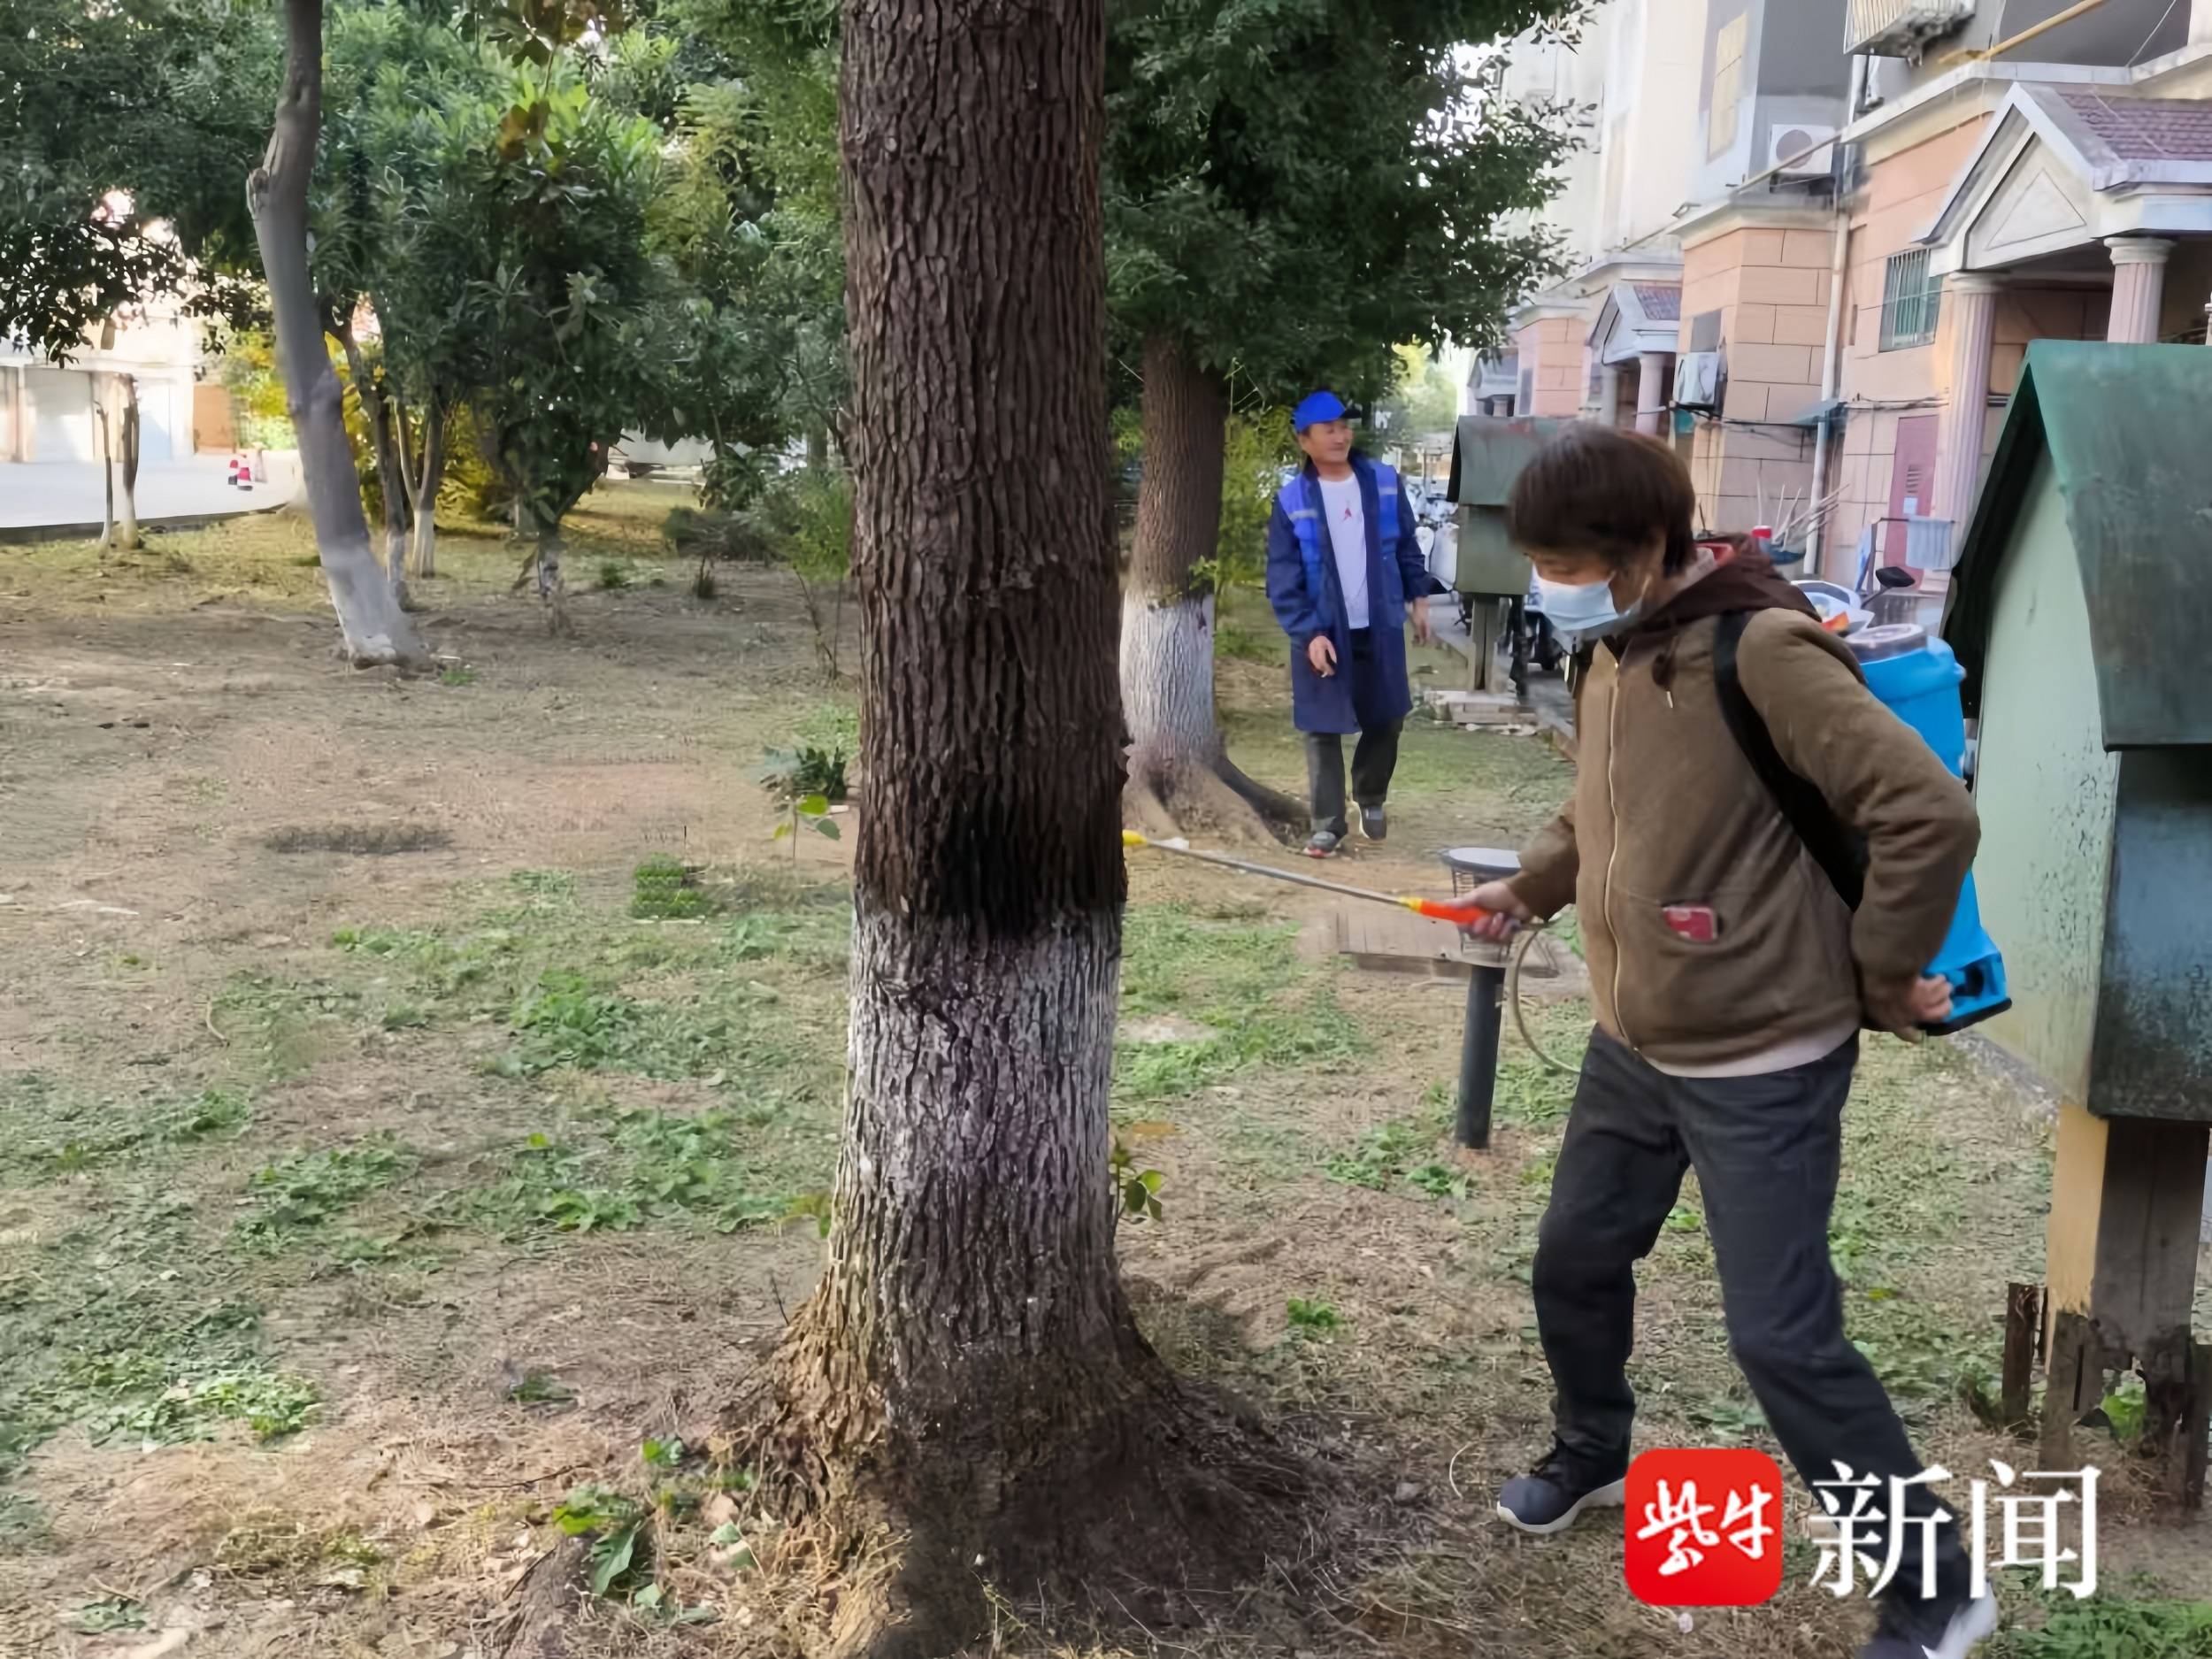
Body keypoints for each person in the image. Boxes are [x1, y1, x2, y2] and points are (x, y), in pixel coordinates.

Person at [1463, 426, 1995, 1659]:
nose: (1548, 585)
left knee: (1781, 1335)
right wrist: (1532, 887)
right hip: (1632, 1043)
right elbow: (1600, 806)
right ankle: (1593, 1452)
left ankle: (1937, 1589)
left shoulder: (1759, 648)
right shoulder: (1616, 648)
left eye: (1564, 564)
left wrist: (1878, 972)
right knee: (1574, 1260)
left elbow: (1927, 812)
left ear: (1644, 545)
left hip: (1764, 1057)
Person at [1264, 390, 1434, 858]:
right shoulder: (1291, 500)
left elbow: (1407, 546)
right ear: (1305, 441)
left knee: (1389, 715)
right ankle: (1327, 825)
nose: (1340, 436)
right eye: (1329, 429)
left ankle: (1371, 795)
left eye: (1344, 427)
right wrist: (1308, 634)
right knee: (1321, 728)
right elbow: (1283, 577)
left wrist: (1419, 598)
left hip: (1380, 624)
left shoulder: (1383, 481)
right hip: (1323, 630)